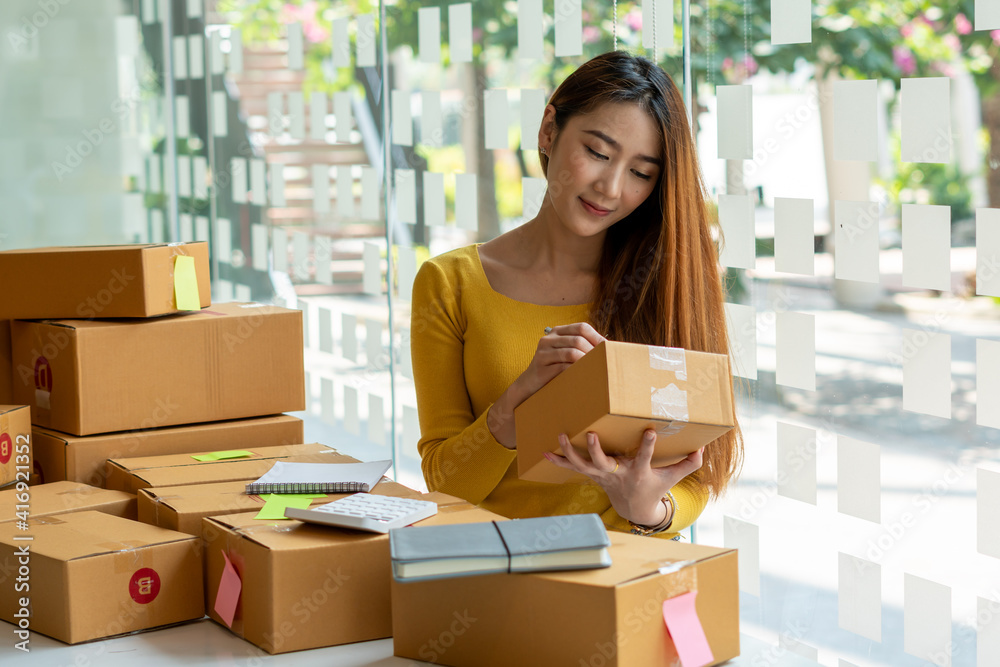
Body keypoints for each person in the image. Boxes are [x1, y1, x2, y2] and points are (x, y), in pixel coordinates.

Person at [409, 51, 742, 539]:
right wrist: (516, 405)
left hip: (622, 579)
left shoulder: (662, 285)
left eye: (641, 173)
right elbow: (445, 484)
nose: (610, 187)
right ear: (549, 130)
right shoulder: (450, 283)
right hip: (493, 571)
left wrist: (651, 509)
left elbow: (696, 472)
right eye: (599, 153)